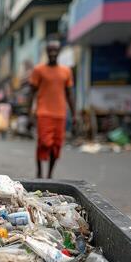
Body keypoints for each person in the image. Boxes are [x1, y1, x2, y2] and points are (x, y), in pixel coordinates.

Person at [27, 40, 76, 179]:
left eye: (55, 50)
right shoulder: (38, 70)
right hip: (43, 113)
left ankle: (49, 174)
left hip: (60, 114)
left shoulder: (66, 71)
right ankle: (39, 171)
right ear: (47, 52)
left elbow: (69, 94)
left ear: (59, 51)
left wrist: (75, 114)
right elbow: (31, 93)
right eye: (50, 50)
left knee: (56, 146)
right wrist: (29, 113)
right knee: (43, 142)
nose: (53, 53)